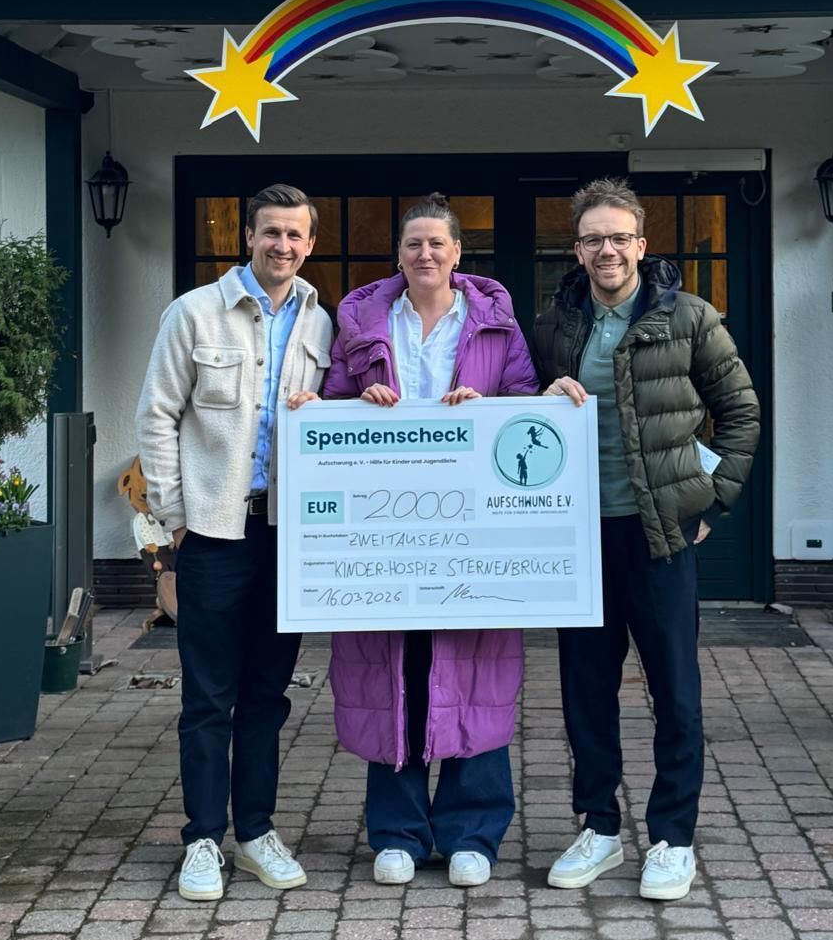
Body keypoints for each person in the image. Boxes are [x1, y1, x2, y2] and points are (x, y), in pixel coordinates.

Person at [534, 178, 760, 901]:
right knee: (586, 690)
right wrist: (540, 396)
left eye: (618, 237)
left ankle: (672, 838)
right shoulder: (556, 325)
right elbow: (520, 417)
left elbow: (741, 412)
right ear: (577, 249)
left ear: (641, 243)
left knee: (674, 689)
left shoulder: (689, 317)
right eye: (593, 239)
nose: (607, 250)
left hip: (660, 535)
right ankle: (599, 827)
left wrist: (713, 499)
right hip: (579, 535)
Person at [318, 194, 538, 888]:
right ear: (399, 253)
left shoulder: (495, 323)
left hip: (473, 528)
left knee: (473, 667)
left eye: (437, 243)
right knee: (399, 670)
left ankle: (473, 832)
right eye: (414, 244)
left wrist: (488, 411)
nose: (425, 254)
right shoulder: (362, 323)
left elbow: (525, 402)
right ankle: (398, 833)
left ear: (458, 253)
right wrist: (355, 404)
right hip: (385, 526)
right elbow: (329, 403)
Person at [136, 183, 334, 902]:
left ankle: (254, 831)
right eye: (270, 232)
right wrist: (175, 516)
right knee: (207, 695)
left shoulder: (320, 322)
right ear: (248, 237)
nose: (283, 245)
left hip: (287, 533)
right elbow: (156, 415)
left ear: (309, 244)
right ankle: (201, 838)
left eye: (295, 234)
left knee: (266, 694)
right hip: (215, 532)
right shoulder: (193, 313)